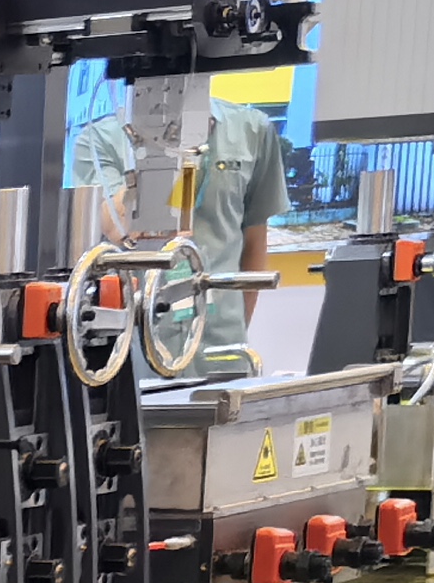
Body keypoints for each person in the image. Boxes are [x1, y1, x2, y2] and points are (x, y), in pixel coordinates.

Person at [67, 89, 287, 373]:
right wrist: (161, 146)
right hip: (136, 345)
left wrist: (237, 327)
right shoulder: (100, 138)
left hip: (221, 346)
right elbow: (115, 224)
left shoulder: (252, 129)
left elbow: (254, 241)